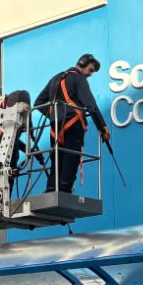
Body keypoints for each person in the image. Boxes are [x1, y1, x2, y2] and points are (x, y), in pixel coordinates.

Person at [36, 53, 110, 194]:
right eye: (90, 70)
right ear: (82, 64)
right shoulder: (79, 79)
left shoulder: (55, 79)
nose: (90, 74)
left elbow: (38, 103)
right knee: (71, 157)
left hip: (55, 127)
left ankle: (51, 188)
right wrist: (102, 127)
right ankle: (65, 189)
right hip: (74, 124)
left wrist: (53, 115)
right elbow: (91, 105)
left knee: (56, 159)